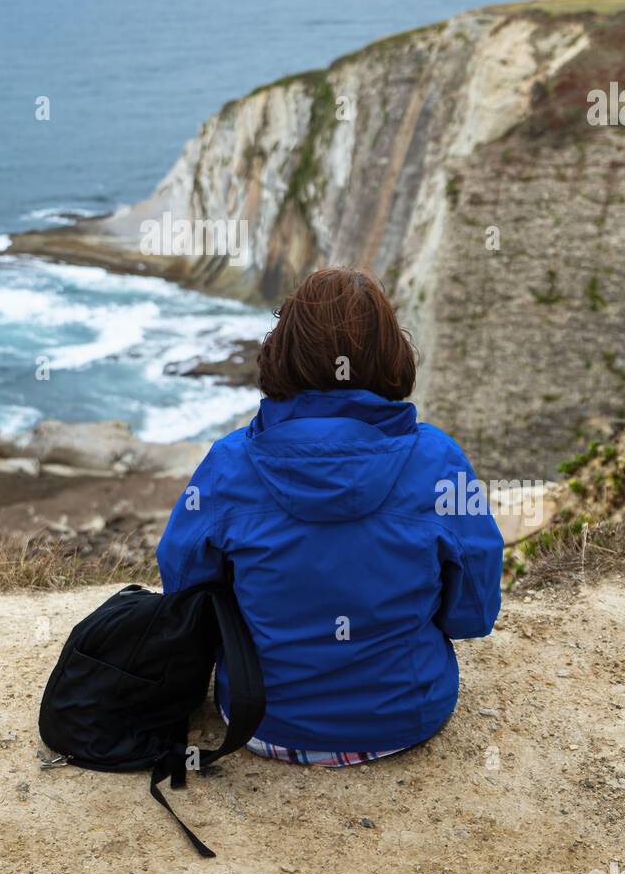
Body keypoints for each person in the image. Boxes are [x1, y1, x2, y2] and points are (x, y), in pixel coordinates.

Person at [157, 267, 503, 764]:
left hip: (259, 719)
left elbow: (184, 590)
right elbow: (473, 612)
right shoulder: (440, 462)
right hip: (406, 717)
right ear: (392, 354)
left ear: (284, 351)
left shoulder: (229, 463)